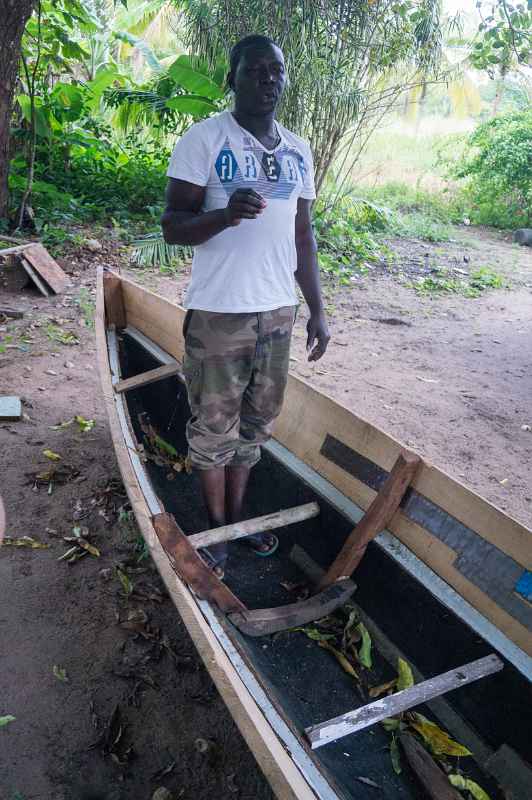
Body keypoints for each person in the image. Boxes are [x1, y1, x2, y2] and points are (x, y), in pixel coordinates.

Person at [161, 34, 329, 578]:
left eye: (276, 71)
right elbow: (173, 227)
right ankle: (215, 531)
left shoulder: (298, 149)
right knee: (214, 428)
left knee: (256, 425)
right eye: (256, 71)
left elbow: (303, 238)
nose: (269, 80)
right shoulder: (205, 140)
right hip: (220, 312)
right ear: (232, 77)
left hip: (278, 312)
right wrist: (224, 216)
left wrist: (317, 311)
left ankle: (238, 517)